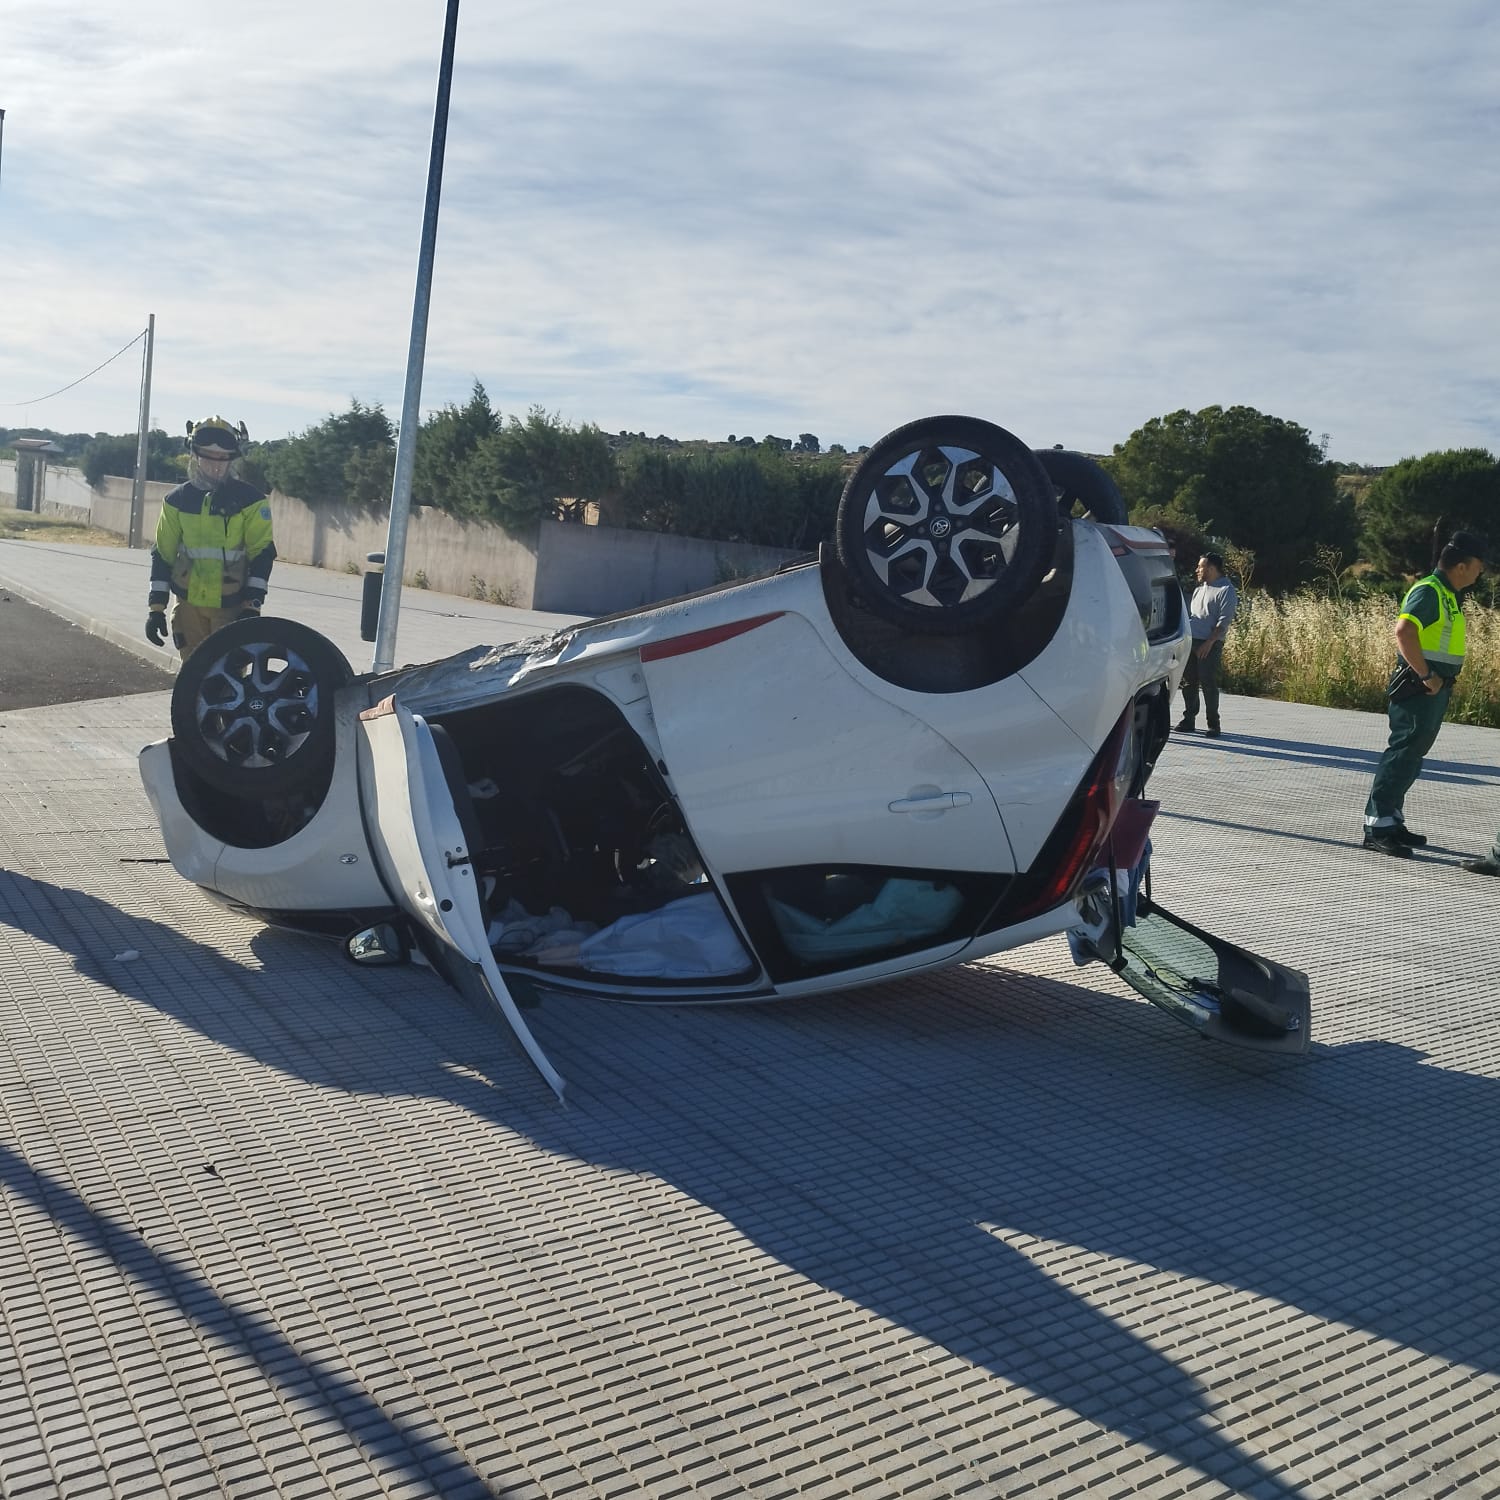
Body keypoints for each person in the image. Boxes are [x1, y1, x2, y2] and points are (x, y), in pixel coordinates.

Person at [1361, 530, 1486, 858]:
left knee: (1411, 757)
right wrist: (1427, 675)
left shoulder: (1448, 594)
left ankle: (1392, 820)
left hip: (1432, 689)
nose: (1481, 571)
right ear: (1461, 565)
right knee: (1402, 753)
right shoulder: (1431, 590)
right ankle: (1377, 827)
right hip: (1420, 687)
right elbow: (1404, 631)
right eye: (1478, 565)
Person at [146, 417, 276, 658]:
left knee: (229, 681)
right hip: (187, 608)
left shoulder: (252, 501)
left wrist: (252, 606)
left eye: (223, 458)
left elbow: (263, 553)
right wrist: (156, 609)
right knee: (191, 679)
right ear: (195, 455)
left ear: (232, 459)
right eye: (207, 457)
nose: (215, 466)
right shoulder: (176, 501)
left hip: (233, 609)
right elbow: (163, 554)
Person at [1174, 552, 1238, 738]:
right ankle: (1189, 720)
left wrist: (1209, 643)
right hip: (1191, 641)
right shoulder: (1200, 589)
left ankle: (1213, 724)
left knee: (1208, 682)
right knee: (1189, 682)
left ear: (1211, 568)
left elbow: (1223, 622)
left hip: (1209, 643)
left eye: (1200, 567)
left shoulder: (1226, 590)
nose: (1197, 570)